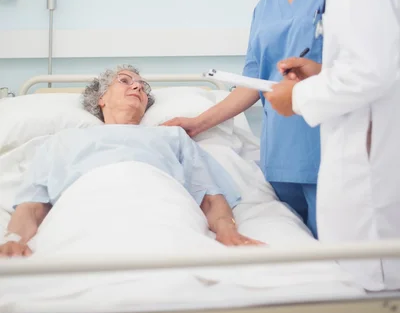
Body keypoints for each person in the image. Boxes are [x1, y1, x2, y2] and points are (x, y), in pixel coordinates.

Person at [264, 0, 400, 291]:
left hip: (372, 168)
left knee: (373, 297)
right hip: (382, 136)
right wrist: (323, 73)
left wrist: (297, 96)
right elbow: (383, 58)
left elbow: (370, 72)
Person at [164, 0, 330, 238]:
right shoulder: (266, 5)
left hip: (328, 146)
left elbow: (366, 62)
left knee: (346, 264)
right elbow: (252, 82)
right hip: (280, 156)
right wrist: (198, 122)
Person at [0, 65, 261, 258]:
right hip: (86, 206)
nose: (137, 87)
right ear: (101, 98)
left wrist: (227, 231)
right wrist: (14, 239)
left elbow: (211, 197)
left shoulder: (172, 136)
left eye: (142, 87)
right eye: (124, 81)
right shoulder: (63, 141)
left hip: (162, 205)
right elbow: (32, 206)